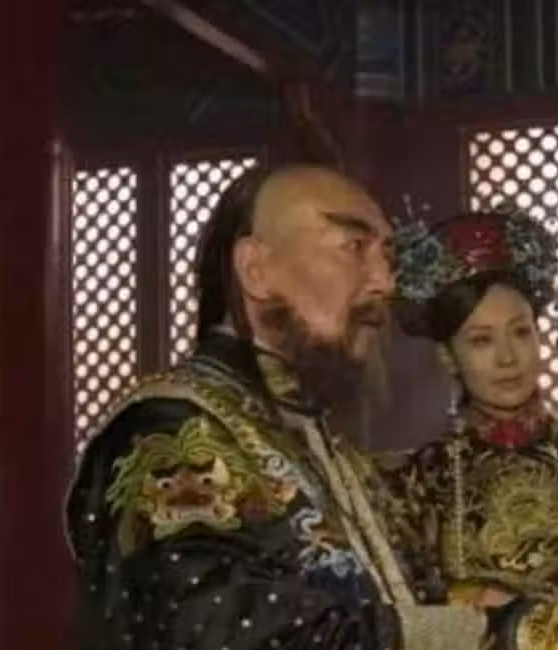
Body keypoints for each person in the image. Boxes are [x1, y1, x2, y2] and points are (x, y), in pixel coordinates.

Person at [65, 164, 490, 649]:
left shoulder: (326, 446)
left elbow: (404, 594)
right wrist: (470, 632)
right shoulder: (170, 431)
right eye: (354, 246)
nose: (385, 283)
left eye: (387, 257)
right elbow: (220, 630)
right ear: (256, 270)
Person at [366, 208, 558, 609]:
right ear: (448, 357)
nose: (507, 358)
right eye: (481, 340)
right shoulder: (417, 484)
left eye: (520, 332)